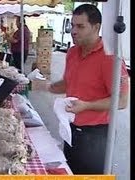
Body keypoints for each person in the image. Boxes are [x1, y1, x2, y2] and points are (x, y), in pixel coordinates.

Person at [48, 4, 129, 174]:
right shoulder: (72, 52)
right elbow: (68, 83)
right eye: (72, 25)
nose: (73, 31)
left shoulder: (111, 57)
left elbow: (121, 101)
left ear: (96, 27)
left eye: (80, 26)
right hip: (71, 128)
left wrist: (87, 106)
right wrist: (47, 86)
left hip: (96, 135)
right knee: (69, 172)